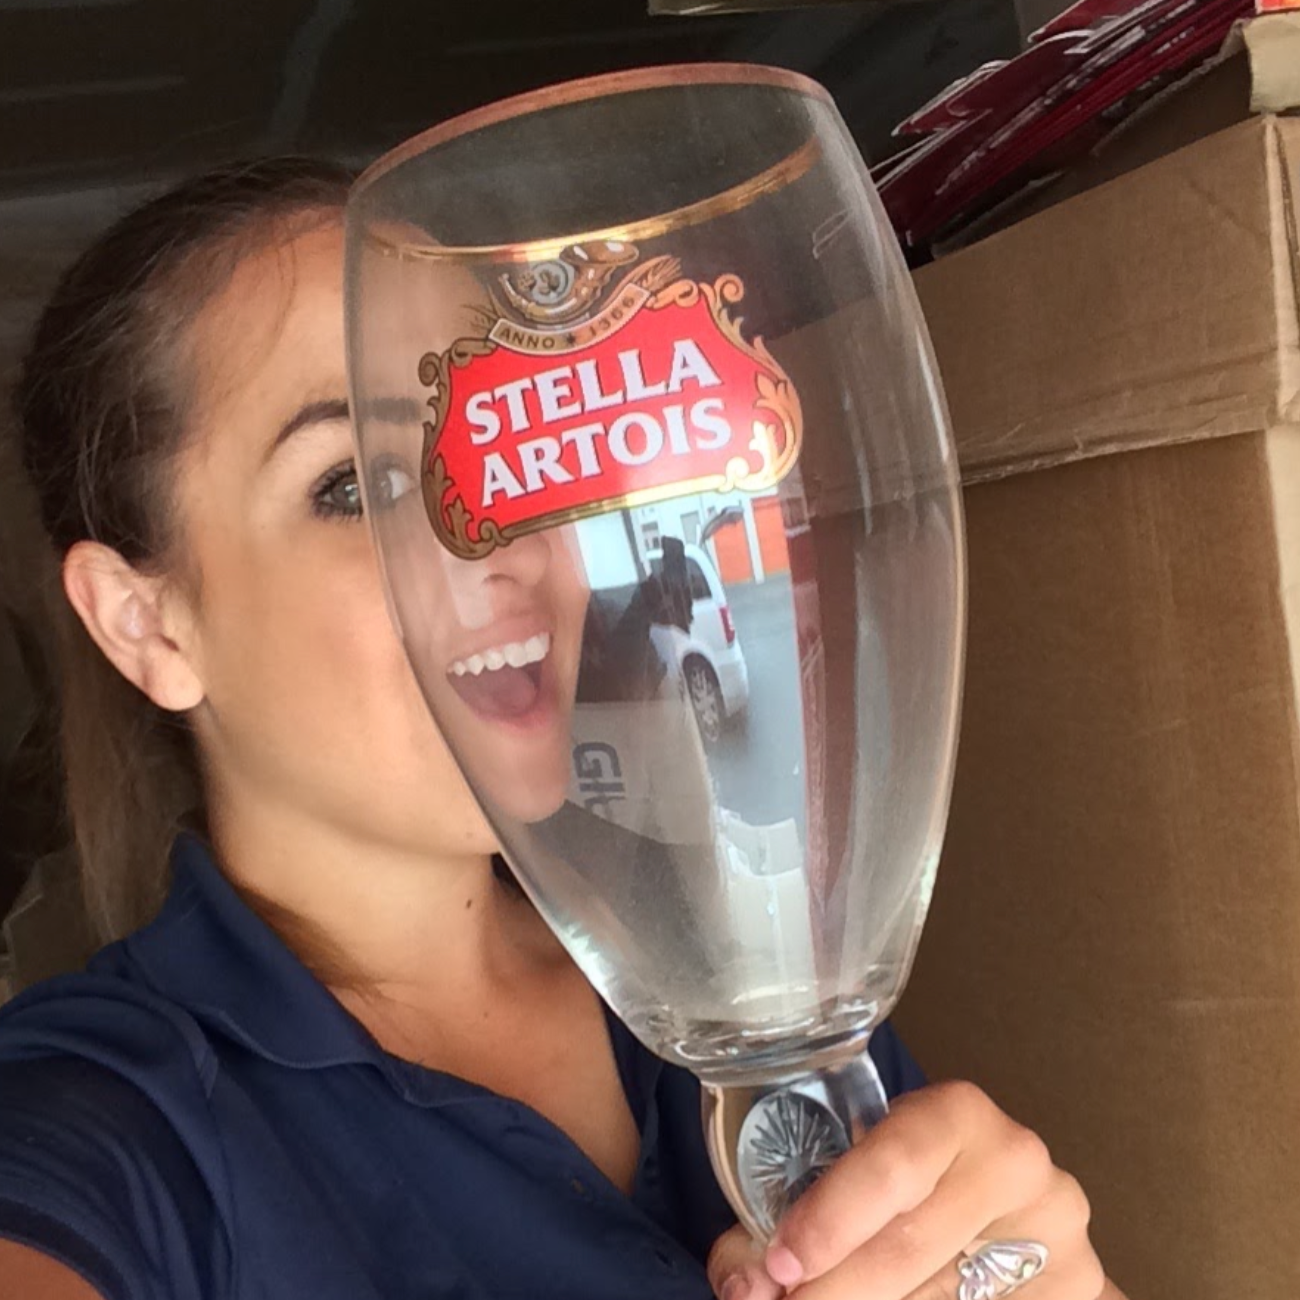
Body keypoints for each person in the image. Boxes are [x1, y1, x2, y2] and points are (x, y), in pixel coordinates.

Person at [0, 158, 1122, 1300]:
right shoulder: (100, 1129)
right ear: (148, 626)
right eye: (356, 483)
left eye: (498, 452)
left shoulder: (746, 957)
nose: (500, 543)